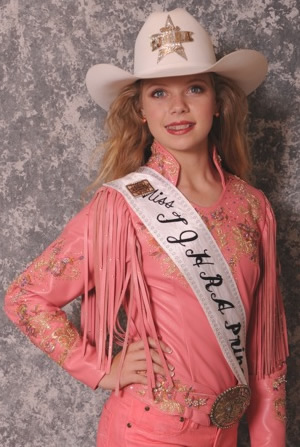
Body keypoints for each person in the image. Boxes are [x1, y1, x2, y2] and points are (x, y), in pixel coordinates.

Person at [4, 8, 288, 447]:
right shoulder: (122, 205)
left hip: (226, 435)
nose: (177, 107)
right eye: (158, 93)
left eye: (195, 88)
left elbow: (267, 356)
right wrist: (102, 369)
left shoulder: (254, 207)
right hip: (146, 433)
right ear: (139, 109)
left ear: (218, 102)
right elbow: (26, 297)